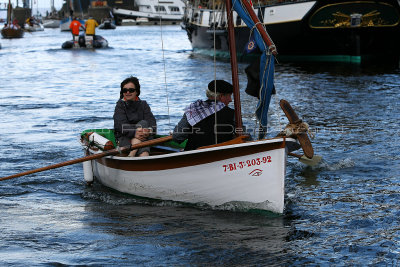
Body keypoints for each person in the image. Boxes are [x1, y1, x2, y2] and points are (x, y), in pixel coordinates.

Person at [173, 80, 236, 151]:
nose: (231, 100)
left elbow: (177, 137)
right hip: (222, 156)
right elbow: (244, 138)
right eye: (229, 96)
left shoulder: (192, 110)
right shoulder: (233, 114)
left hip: (193, 157)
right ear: (221, 96)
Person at [113, 76, 157, 157]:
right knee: (143, 126)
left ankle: (133, 153)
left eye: (131, 90)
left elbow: (152, 123)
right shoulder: (120, 105)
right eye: (125, 90)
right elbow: (120, 126)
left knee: (143, 124)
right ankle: (144, 157)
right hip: (125, 138)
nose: (128, 92)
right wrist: (135, 132)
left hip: (144, 137)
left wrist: (149, 131)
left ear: (137, 91)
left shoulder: (144, 104)